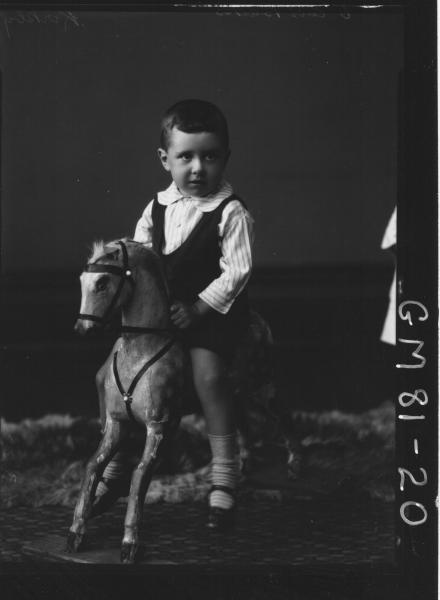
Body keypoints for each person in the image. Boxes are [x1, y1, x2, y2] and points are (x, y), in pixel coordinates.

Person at [100, 99, 254, 531]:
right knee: (120, 376)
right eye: (186, 156)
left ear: (226, 156)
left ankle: (225, 474)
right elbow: (142, 256)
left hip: (212, 313)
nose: (198, 168)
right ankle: (115, 466)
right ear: (165, 159)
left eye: (210, 156)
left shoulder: (231, 212)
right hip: (164, 313)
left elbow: (237, 271)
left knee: (207, 375)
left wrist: (200, 308)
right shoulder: (157, 208)